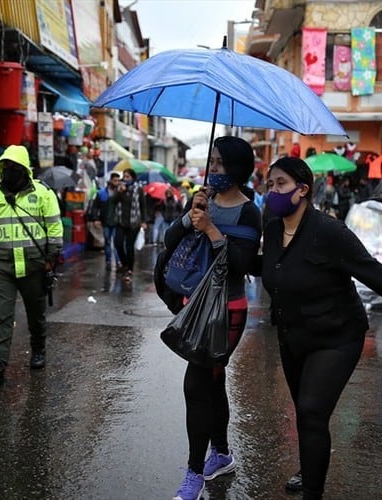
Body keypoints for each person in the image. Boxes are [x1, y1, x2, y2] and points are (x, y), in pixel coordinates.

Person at [258, 157, 382, 499]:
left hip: (337, 336)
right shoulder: (272, 230)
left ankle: (313, 492)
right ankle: (310, 467)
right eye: (270, 185)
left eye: (281, 184)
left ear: (303, 189)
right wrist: (211, 233)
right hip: (293, 335)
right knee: (306, 414)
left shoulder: (330, 232)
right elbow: (266, 268)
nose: (273, 192)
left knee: (312, 411)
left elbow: (374, 274)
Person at [166, 136, 262, 500]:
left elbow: (242, 263)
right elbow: (170, 241)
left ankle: (194, 473)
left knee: (196, 385)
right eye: (212, 161)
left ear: (236, 167)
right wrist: (191, 215)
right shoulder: (203, 200)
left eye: (220, 162)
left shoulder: (248, 212)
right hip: (195, 305)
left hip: (226, 310)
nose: (214, 168)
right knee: (213, 380)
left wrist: (210, 229)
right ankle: (220, 453)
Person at [0, 145, 63, 390]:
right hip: (2, 268)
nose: (9, 171)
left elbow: (54, 228)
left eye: (14, 167)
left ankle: (38, 349)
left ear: (24, 170)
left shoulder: (42, 194)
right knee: (2, 318)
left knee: (36, 315)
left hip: (34, 267)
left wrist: (51, 258)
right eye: (5, 166)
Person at [111, 168, 147, 284]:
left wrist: (144, 221)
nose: (125, 179)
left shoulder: (138, 189)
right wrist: (120, 192)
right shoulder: (120, 188)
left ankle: (129, 269)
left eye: (128, 177)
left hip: (134, 222)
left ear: (132, 178)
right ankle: (124, 263)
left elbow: (142, 205)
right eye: (124, 176)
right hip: (121, 221)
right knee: (118, 243)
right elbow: (113, 201)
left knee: (129, 246)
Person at [87, 171, 123, 270]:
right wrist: (95, 219)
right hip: (106, 221)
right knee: (107, 241)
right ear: (110, 180)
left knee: (116, 243)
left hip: (117, 222)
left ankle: (118, 261)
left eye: (118, 181)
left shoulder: (120, 193)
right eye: (115, 180)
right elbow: (95, 207)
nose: (116, 183)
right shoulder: (102, 193)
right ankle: (108, 261)